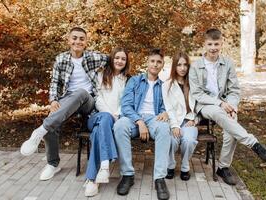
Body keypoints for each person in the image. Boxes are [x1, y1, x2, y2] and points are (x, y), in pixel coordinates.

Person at [189, 28, 266, 185]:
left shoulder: (227, 63)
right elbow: (197, 94)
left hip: (225, 103)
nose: (213, 47)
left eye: (216, 44)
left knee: (231, 120)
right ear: (204, 44)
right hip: (205, 105)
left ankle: (223, 167)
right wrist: (220, 103)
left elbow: (234, 90)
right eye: (210, 44)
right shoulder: (196, 66)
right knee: (219, 113)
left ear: (221, 43)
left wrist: (232, 106)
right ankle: (253, 143)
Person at [20, 27, 108, 181]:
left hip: (88, 101)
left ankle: (39, 131)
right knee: (52, 117)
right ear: (68, 40)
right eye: (74, 38)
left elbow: (114, 59)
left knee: (81, 92)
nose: (78, 41)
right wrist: (53, 99)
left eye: (82, 38)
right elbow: (55, 82)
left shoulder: (94, 56)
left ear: (86, 42)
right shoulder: (61, 59)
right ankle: (53, 164)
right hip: (67, 99)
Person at [113, 48, 171, 200]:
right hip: (133, 117)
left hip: (154, 119)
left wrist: (166, 112)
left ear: (162, 65)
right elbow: (125, 105)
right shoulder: (135, 80)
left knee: (164, 129)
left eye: (159, 62)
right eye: (152, 61)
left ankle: (159, 178)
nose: (155, 64)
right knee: (119, 126)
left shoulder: (164, 85)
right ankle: (127, 175)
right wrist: (139, 121)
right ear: (147, 62)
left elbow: (168, 106)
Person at [84, 47, 130, 197]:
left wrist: (117, 115)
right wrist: (110, 115)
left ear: (126, 62)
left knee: (98, 132)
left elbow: (126, 102)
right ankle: (104, 163)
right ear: (111, 58)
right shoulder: (101, 74)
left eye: (123, 59)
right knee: (104, 118)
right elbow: (97, 99)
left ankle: (93, 180)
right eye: (117, 57)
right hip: (97, 117)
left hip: (114, 120)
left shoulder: (128, 80)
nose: (120, 61)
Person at [162, 51, 198, 181]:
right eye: (179, 65)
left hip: (189, 121)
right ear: (174, 67)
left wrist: (195, 119)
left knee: (188, 141)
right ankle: (170, 165)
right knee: (171, 140)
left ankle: (185, 166)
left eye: (185, 65)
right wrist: (174, 125)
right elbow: (168, 107)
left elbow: (200, 105)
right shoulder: (167, 85)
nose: (182, 68)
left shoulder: (194, 84)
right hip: (174, 120)